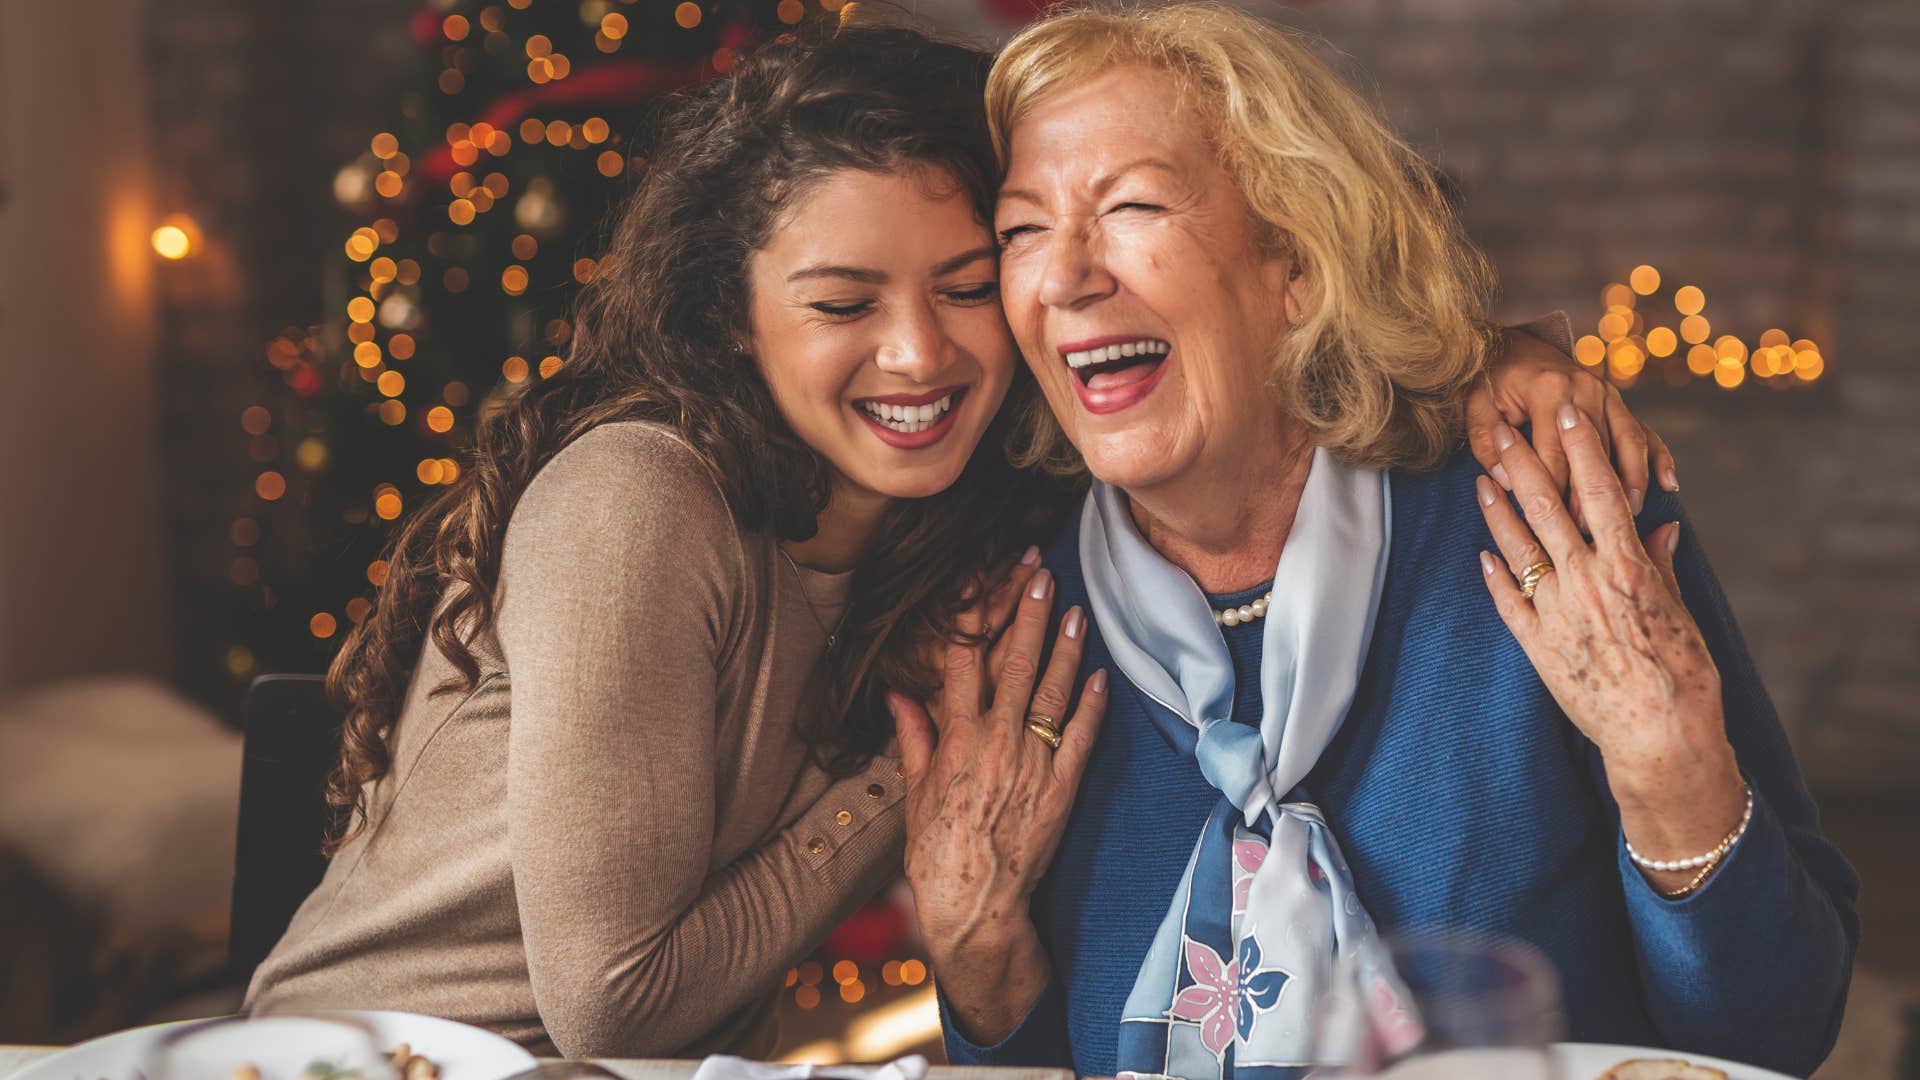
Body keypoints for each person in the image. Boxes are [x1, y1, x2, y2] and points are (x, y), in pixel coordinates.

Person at [247, 18, 1676, 1061]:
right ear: (730, 315)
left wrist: (1505, 358)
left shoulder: (982, 519)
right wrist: (902, 774)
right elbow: (612, 998)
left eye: (968, 281)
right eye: (840, 301)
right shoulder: (642, 497)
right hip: (367, 1058)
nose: (919, 353)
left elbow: (1264, 347)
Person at [894, 6, 1858, 1079]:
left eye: (1132, 206)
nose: (1065, 276)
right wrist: (977, 953)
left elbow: (1780, 1034)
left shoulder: (1544, 510)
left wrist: (1670, 767)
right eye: (1022, 228)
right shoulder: (1017, 615)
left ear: (1296, 264)